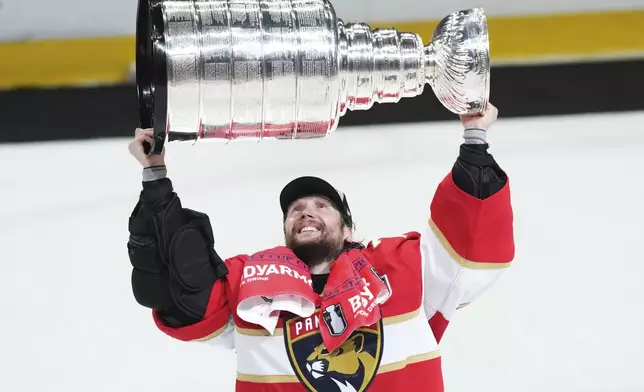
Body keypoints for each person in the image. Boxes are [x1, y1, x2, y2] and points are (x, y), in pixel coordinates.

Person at [127, 103, 514, 392]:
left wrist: (475, 137)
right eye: (295, 210)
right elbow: (181, 292)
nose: (306, 213)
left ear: (347, 229)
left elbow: (471, 249)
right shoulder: (252, 289)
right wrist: (155, 174)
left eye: (321, 207)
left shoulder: (401, 269)